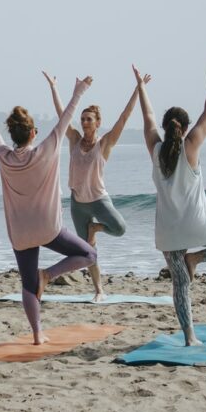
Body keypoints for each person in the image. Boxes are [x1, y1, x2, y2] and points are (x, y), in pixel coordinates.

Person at [133, 55, 206, 345]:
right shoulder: (192, 146)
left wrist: (141, 87)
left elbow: (147, 119)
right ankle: (197, 257)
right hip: (199, 226)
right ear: (185, 128)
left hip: (168, 232)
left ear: (165, 128)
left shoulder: (155, 149)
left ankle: (190, 337)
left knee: (180, 284)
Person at [0, 76, 97, 345]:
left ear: (13, 135)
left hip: (21, 233)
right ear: (33, 132)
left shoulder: (3, 156)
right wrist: (79, 91)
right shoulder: (45, 151)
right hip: (48, 228)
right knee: (89, 254)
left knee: (27, 285)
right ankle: (47, 275)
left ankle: (37, 335)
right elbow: (66, 120)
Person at [42, 71, 149, 301]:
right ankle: (99, 290)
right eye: (82, 119)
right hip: (78, 204)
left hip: (100, 201)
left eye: (89, 119)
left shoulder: (105, 143)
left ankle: (96, 228)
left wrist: (138, 89)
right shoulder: (73, 139)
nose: (84, 122)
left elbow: (124, 117)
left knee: (120, 228)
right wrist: (53, 87)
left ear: (98, 122)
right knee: (89, 253)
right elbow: (63, 115)